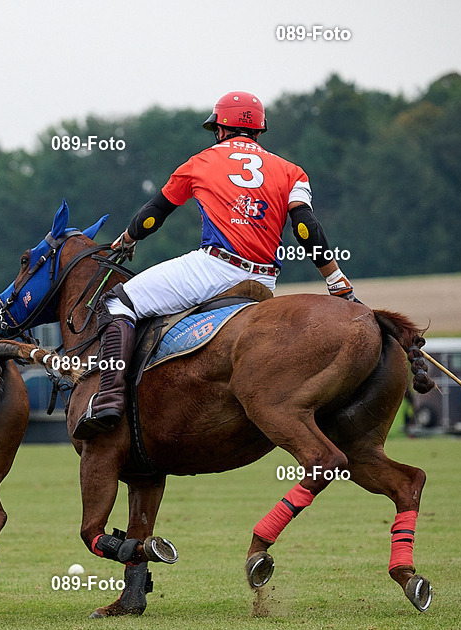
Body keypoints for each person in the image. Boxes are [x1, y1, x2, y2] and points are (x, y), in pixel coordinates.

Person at [73, 92, 358, 440]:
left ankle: (108, 400)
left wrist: (128, 239)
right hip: (265, 280)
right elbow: (305, 227)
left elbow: (154, 214)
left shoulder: (200, 162)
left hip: (215, 268)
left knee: (117, 302)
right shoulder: (292, 172)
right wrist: (336, 280)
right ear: (258, 130)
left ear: (221, 129)